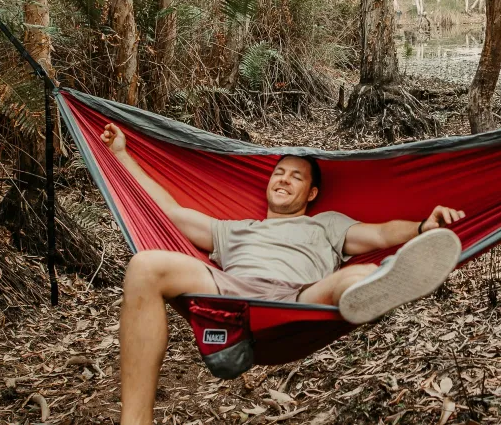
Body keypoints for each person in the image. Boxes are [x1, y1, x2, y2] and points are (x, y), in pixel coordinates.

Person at [100, 123, 464, 425]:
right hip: (232, 294)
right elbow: (167, 211)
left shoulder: (327, 225)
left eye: (296, 177)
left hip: (298, 298)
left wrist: (421, 228)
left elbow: (382, 234)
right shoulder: (236, 229)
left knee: (356, 276)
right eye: (279, 173)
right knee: (145, 265)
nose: (284, 180)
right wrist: (121, 154)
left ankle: (379, 288)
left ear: (312, 192)